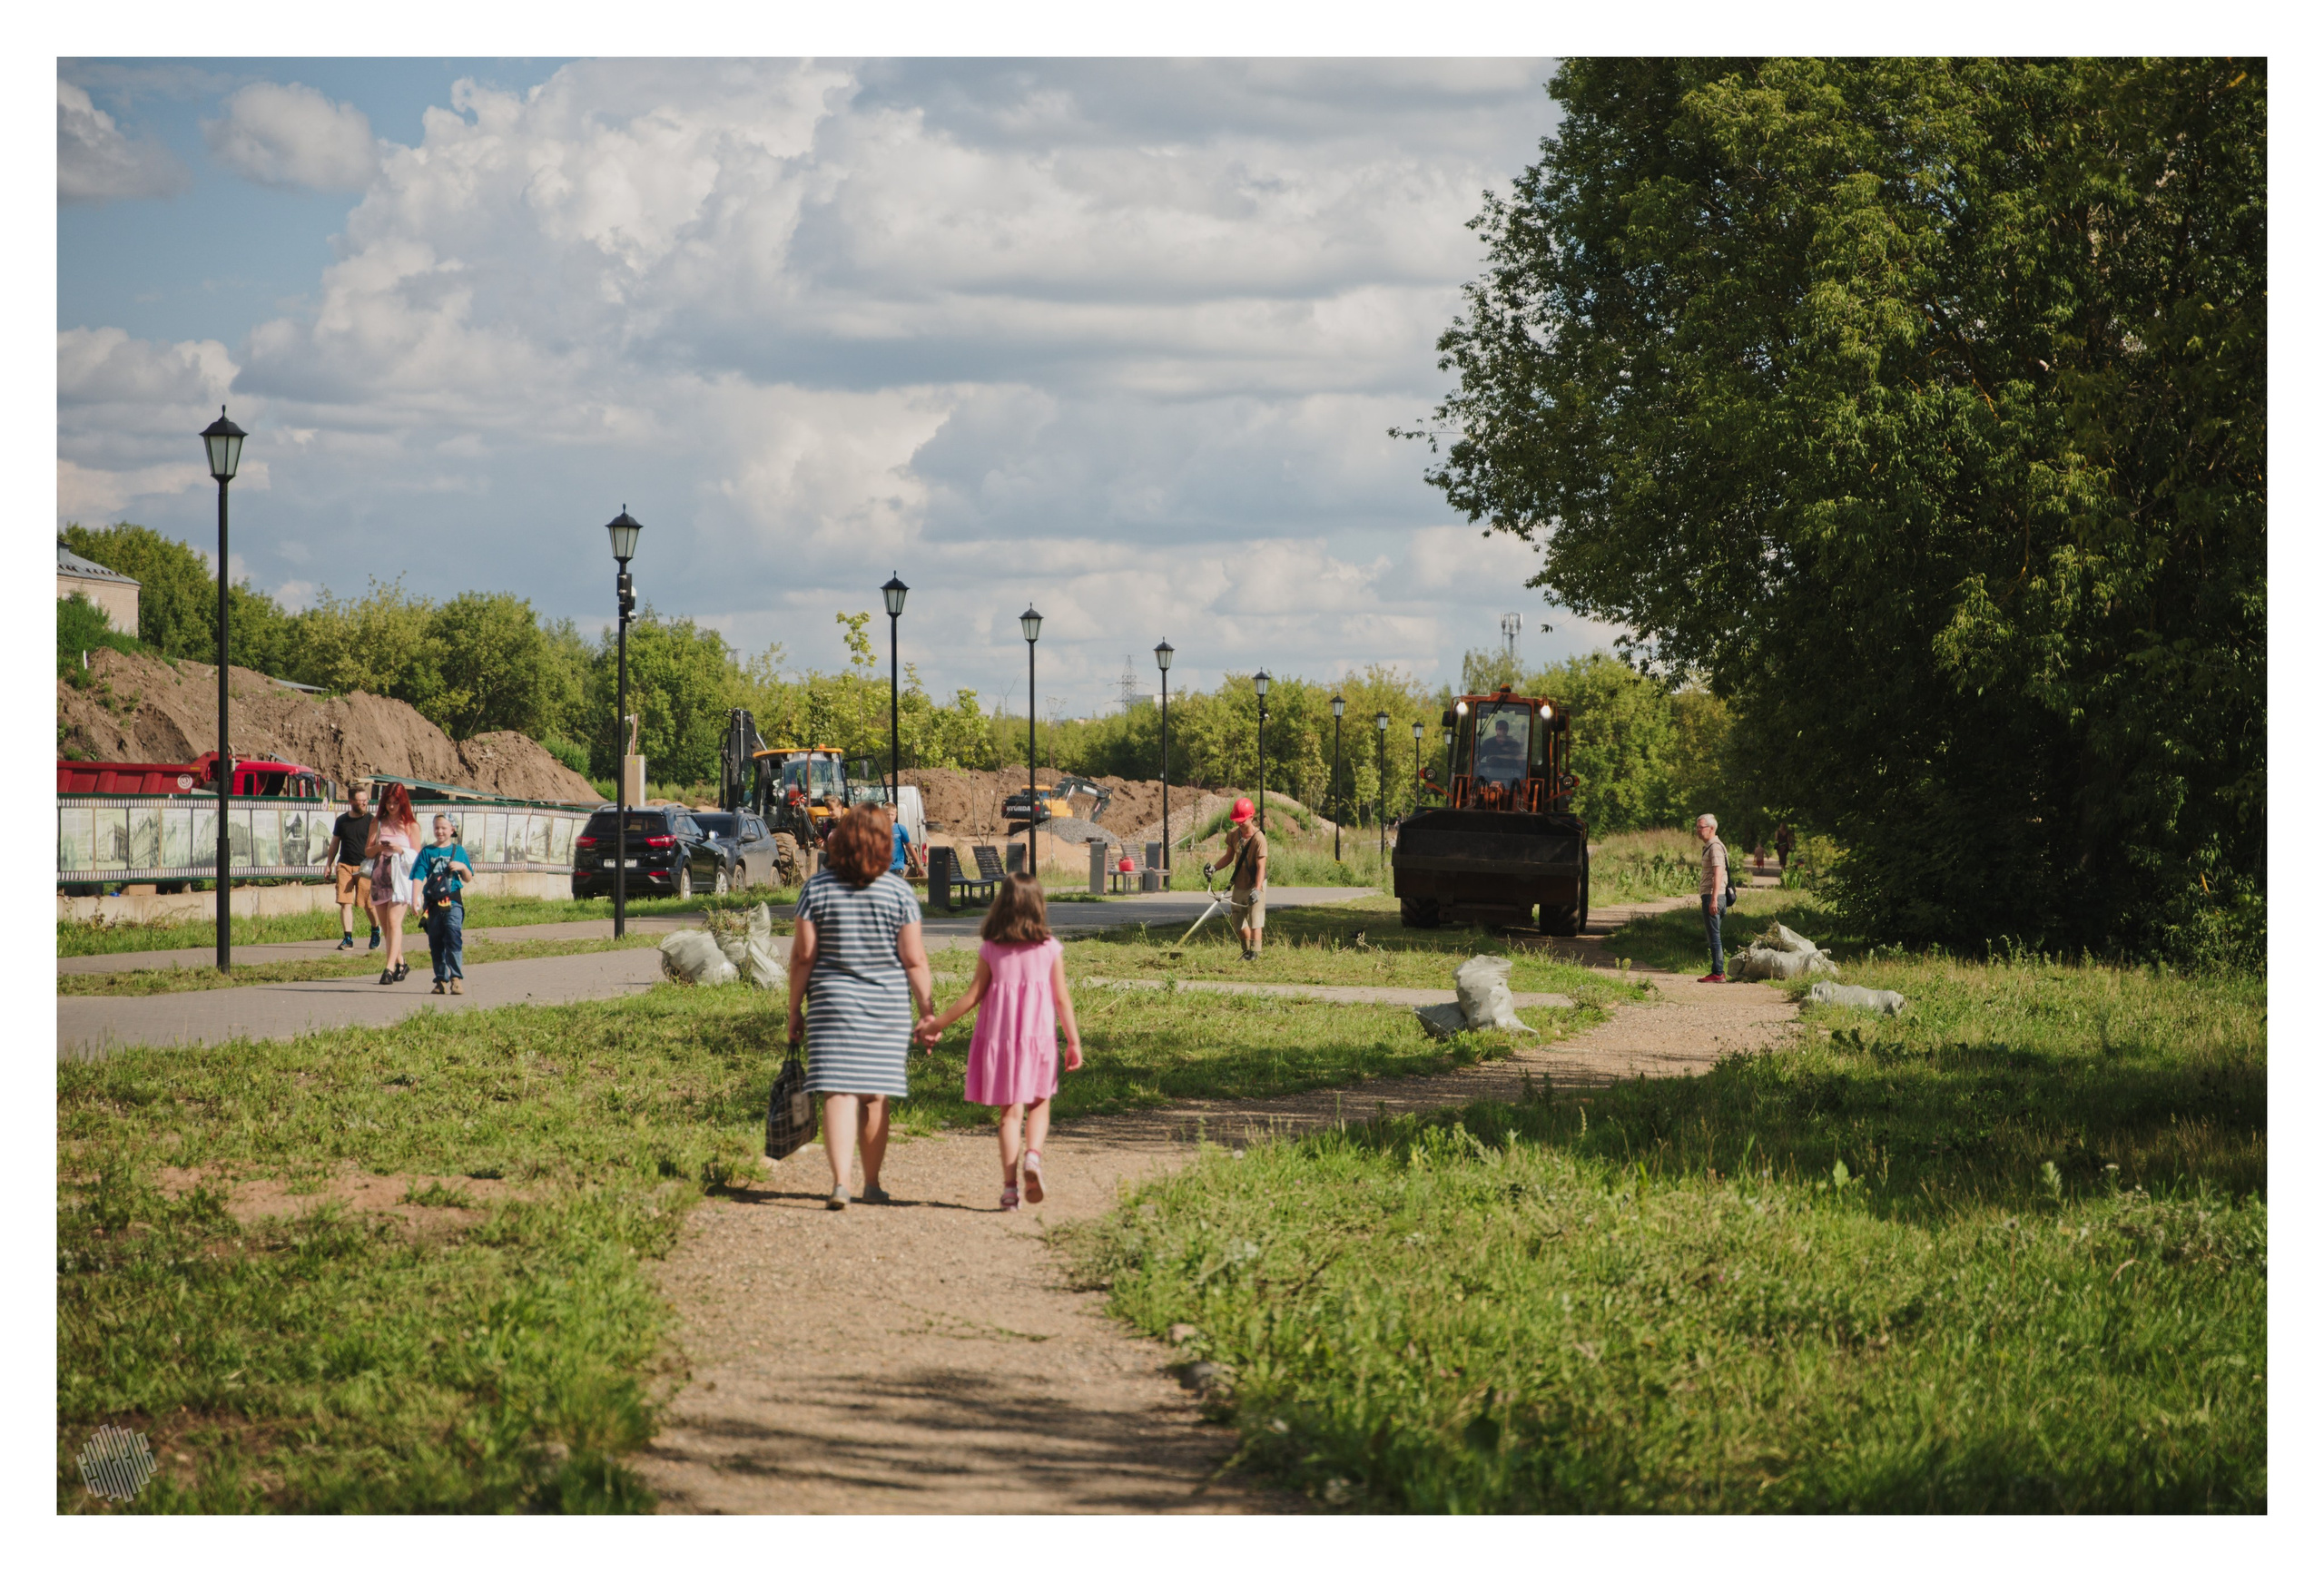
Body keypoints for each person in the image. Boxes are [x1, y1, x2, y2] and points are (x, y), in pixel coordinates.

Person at [788, 805, 936, 1210]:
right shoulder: (898, 892)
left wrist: (794, 1010)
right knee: (874, 1096)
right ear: (885, 845)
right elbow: (914, 959)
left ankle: (840, 1183)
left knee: (837, 1094)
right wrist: (927, 1010)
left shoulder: (816, 889)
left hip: (830, 1006)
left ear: (842, 840)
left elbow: (803, 956)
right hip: (885, 1007)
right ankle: (872, 1184)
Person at [913, 873, 1084, 1213]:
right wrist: (1074, 1042)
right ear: (1038, 907)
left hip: (1001, 1040)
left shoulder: (991, 948)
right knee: (1039, 1103)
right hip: (1038, 1039)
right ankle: (1033, 1157)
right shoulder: (1049, 948)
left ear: (1002, 906)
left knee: (1010, 1113)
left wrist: (936, 1023)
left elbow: (973, 996)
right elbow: (1062, 999)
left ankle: (1009, 1190)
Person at [411, 813, 474, 996]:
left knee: (453, 934)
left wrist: (462, 867)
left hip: (453, 900)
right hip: (432, 903)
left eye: (444, 828)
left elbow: (468, 878)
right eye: (437, 828)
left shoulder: (459, 851)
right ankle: (440, 980)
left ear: (452, 830)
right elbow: (418, 875)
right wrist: (414, 898)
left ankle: (456, 978)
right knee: (436, 940)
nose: (439, 831)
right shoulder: (427, 852)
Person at [368, 782, 422, 985]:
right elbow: (367, 850)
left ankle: (389, 968)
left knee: (393, 922)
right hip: (380, 873)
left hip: (400, 877)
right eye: (388, 803)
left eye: (395, 803)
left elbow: (418, 857)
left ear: (403, 802)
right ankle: (401, 962)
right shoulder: (378, 822)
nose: (391, 807)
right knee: (385, 926)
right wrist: (379, 848)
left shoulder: (410, 825)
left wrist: (400, 849)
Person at [1209, 796, 1268, 960]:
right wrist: (1214, 868)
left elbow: (1261, 867)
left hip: (1255, 884)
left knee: (1255, 919)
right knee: (1238, 921)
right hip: (1239, 884)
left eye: (1243, 820)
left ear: (1251, 816)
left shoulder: (1259, 839)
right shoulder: (1234, 835)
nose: (1240, 823)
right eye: (1237, 820)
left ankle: (1255, 954)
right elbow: (1228, 857)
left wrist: (1257, 889)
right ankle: (1246, 951)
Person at [329, 784, 381, 951]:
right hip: (345, 865)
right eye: (361, 801)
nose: (365, 804)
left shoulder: (372, 820)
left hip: (365, 867)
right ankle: (348, 938)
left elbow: (377, 845)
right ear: (351, 801)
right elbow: (335, 843)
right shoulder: (342, 821)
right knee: (345, 902)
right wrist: (328, 864)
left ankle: (375, 930)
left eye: (366, 801)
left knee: (368, 904)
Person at [1695, 812, 1728, 983]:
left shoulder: (1715, 847)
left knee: (1714, 936)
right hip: (1714, 896)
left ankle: (1718, 973)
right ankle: (1717, 971)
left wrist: (1714, 899)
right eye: (1697, 827)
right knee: (1714, 935)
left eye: (1701, 827)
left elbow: (1718, 873)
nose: (1698, 831)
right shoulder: (1712, 846)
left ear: (1711, 828)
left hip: (1714, 896)